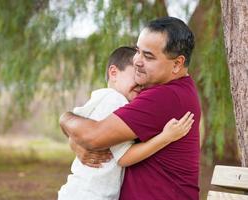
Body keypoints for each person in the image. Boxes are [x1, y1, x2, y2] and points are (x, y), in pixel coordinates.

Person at [59, 17, 201, 200]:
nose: (137, 61)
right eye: (137, 51)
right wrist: (73, 137)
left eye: (148, 56)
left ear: (177, 64)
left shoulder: (164, 97)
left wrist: (65, 119)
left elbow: (93, 137)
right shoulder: (171, 89)